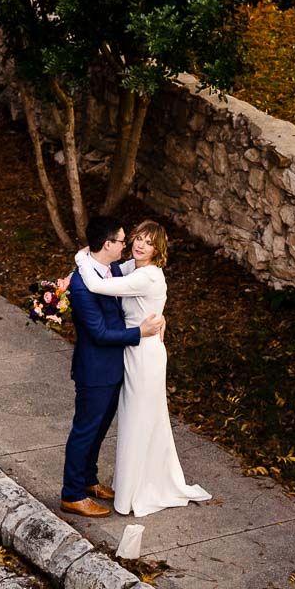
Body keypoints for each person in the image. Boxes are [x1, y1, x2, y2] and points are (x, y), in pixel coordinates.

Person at [75, 220, 212, 516]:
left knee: (139, 419)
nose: (139, 245)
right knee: (134, 419)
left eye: (149, 243)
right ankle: (129, 484)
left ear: (157, 249)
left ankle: (136, 492)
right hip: (132, 349)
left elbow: (98, 284)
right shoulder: (133, 268)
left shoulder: (148, 276)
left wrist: (79, 257)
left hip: (144, 354)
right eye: (138, 238)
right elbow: (109, 271)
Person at [60, 216, 165, 518]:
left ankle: (89, 480)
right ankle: (72, 494)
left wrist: (158, 314)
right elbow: (99, 334)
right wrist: (139, 333)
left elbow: (146, 288)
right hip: (95, 371)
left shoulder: (110, 269)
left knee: (100, 429)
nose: (127, 244)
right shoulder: (82, 286)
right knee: (85, 430)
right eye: (121, 240)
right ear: (108, 244)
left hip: (115, 367)